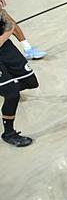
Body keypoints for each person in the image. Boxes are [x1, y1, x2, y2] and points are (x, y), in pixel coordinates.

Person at [0, 9, 39, 147]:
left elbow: (8, 21)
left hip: (6, 48)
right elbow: (9, 26)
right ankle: (9, 133)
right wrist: (8, 30)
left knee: (31, 82)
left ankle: (5, 87)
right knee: (12, 94)